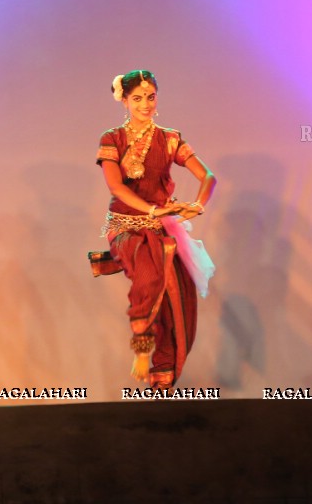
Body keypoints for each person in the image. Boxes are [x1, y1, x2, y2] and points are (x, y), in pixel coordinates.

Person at [90, 70, 217, 391]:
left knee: (176, 302)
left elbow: (208, 177)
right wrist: (152, 210)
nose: (145, 104)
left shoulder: (169, 138)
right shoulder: (112, 139)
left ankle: (163, 381)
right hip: (126, 225)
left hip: (163, 225)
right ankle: (142, 348)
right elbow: (116, 187)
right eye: (137, 98)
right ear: (124, 100)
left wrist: (198, 205)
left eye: (151, 97)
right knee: (149, 275)